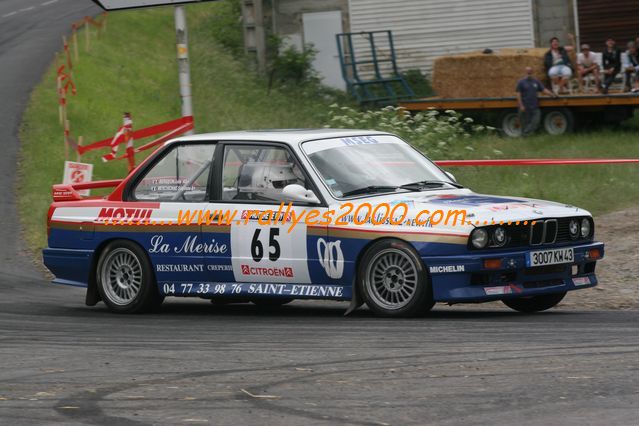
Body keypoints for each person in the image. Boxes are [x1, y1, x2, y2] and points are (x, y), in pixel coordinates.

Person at [516, 67, 558, 137]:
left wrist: (552, 95)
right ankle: (525, 136)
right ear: (525, 73)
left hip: (535, 106)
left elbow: (543, 90)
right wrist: (521, 105)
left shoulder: (536, 82)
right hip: (525, 106)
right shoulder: (521, 82)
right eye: (528, 72)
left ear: (532, 73)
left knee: (536, 121)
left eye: (530, 72)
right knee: (525, 123)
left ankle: (525, 134)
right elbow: (518, 95)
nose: (529, 74)